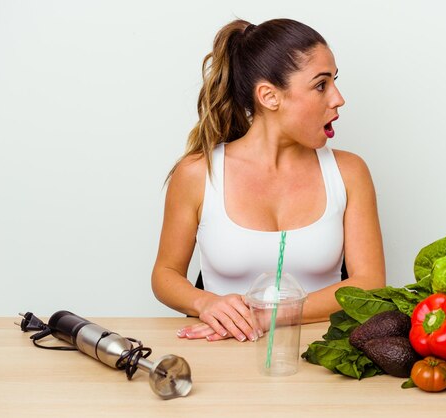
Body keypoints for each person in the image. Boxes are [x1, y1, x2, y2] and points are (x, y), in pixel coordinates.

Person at [151, 18, 385, 342]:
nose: (338, 98)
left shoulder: (349, 172)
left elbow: (370, 282)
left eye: (334, 82)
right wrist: (204, 302)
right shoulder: (197, 173)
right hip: (221, 355)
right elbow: (165, 275)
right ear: (270, 97)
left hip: (321, 358)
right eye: (321, 85)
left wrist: (267, 315)